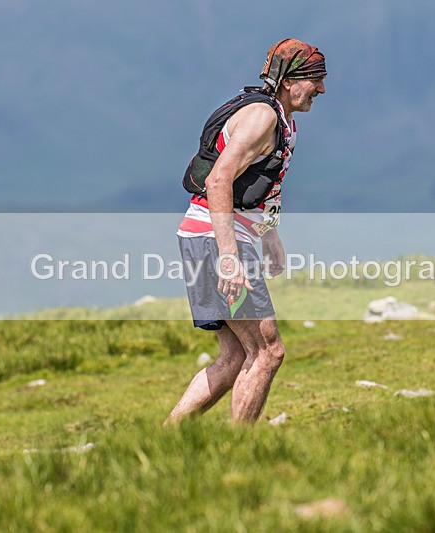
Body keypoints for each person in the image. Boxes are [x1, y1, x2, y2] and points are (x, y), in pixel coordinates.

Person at [166, 38, 327, 424]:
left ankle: (166, 439)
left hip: (208, 237)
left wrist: (268, 234)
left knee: (237, 355)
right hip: (217, 241)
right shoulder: (262, 117)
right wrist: (229, 257)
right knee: (268, 351)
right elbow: (218, 180)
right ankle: (240, 450)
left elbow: (258, 184)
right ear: (289, 81)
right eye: (315, 79)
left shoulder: (282, 120)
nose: (321, 89)